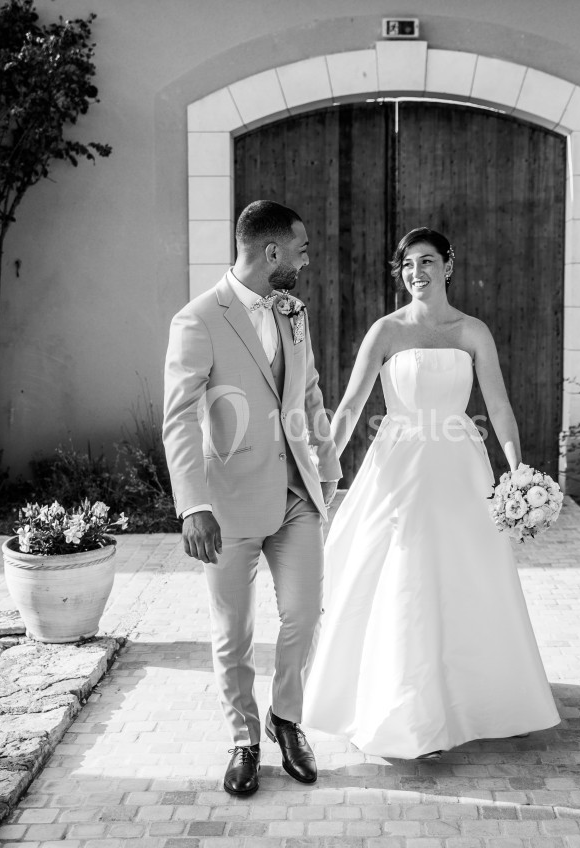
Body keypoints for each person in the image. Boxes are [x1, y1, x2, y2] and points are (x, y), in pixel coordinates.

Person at [302, 227, 560, 759]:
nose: (415, 272)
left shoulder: (473, 332)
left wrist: (517, 471)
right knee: (404, 571)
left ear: (447, 265)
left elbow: (500, 406)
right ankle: (402, 707)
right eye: (406, 265)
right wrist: (321, 471)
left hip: (461, 465)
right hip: (399, 463)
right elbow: (349, 409)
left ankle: (478, 700)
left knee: (467, 574)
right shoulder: (385, 332)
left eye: (425, 261)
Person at [162, 200, 341, 796]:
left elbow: (309, 389)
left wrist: (328, 458)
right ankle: (243, 738)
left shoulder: (294, 313)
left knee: (304, 615)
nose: (307, 258)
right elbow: (180, 420)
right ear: (272, 253)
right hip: (228, 503)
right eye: (302, 248)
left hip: (296, 495)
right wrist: (193, 505)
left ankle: (285, 719)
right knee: (233, 631)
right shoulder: (197, 319)